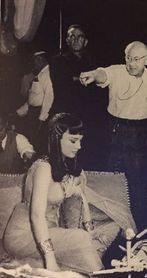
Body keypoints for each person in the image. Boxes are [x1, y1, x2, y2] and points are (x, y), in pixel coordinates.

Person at [3, 113, 136, 274]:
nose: (79, 146)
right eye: (73, 141)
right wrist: (50, 259)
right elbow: (36, 217)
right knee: (81, 239)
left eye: (80, 141)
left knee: (104, 233)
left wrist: (89, 230)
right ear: (56, 139)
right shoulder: (43, 168)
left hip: (49, 231)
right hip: (23, 234)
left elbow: (81, 198)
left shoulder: (64, 166)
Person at [79, 41, 147, 229]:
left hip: (139, 134)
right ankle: (113, 226)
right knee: (111, 179)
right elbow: (103, 74)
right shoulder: (117, 71)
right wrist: (92, 75)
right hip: (114, 131)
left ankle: (140, 228)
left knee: (137, 183)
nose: (131, 64)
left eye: (136, 59)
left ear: (146, 59)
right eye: (128, 58)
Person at [50, 24, 108, 169]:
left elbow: (101, 87)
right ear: (67, 41)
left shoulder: (95, 62)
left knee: (88, 157)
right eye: (72, 36)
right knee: (64, 158)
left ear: (86, 41)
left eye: (80, 36)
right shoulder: (58, 60)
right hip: (66, 116)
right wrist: (88, 78)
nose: (76, 39)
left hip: (89, 118)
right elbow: (64, 81)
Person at [15, 51, 53, 150]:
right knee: (30, 140)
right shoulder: (40, 74)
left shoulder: (47, 74)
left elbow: (49, 98)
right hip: (32, 113)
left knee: (36, 142)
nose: (33, 63)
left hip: (39, 114)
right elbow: (33, 99)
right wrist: (19, 112)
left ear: (40, 59)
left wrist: (42, 118)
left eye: (34, 60)